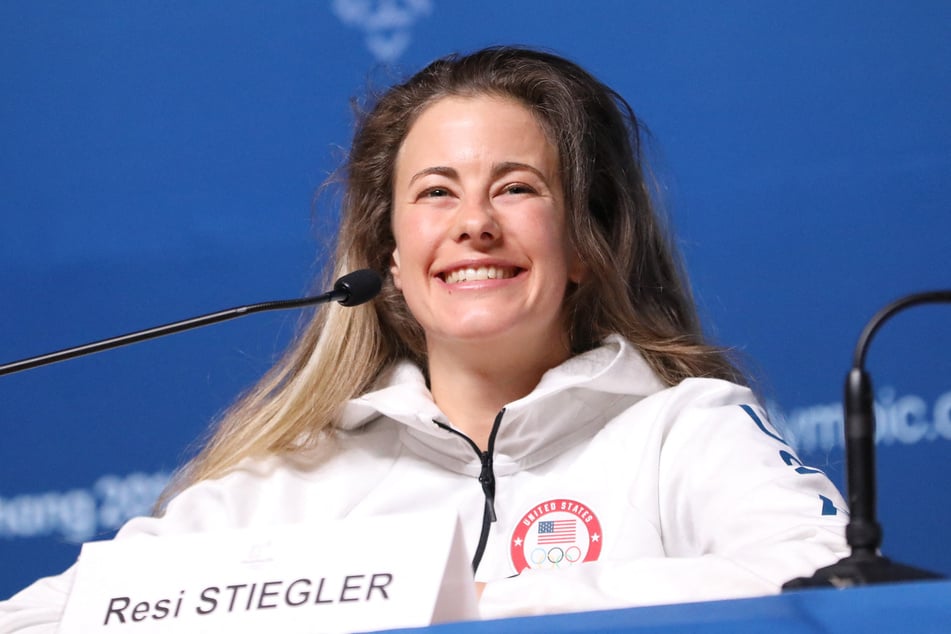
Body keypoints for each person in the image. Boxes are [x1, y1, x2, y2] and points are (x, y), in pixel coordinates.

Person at [0, 46, 848, 629]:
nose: (473, 224)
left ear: (587, 245)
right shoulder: (289, 478)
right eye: (436, 193)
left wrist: (467, 604)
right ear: (389, 258)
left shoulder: (686, 431)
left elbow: (830, 584)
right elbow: (47, 619)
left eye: (516, 188)